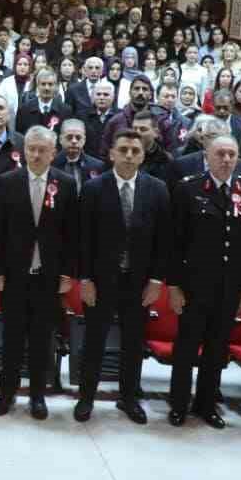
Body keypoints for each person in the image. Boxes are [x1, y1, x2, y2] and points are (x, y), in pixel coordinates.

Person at [167, 135, 241, 429]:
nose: (226, 159)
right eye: (220, 153)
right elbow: (175, 243)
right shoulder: (188, 188)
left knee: (217, 348)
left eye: (232, 154)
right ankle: (179, 404)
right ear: (206, 156)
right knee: (186, 347)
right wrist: (174, 286)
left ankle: (206, 404)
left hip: (230, 286)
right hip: (194, 286)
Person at [75, 129, 168, 425]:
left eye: (135, 151)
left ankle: (128, 398)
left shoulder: (157, 189)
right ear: (112, 153)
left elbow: (164, 240)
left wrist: (156, 281)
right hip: (101, 281)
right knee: (94, 342)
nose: (129, 155)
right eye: (124, 149)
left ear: (143, 155)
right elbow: (83, 239)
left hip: (139, 283)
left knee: (133, 342)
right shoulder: (93, 188)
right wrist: (86, 279)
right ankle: (86, 397)